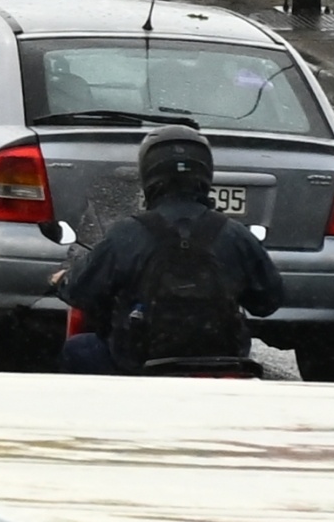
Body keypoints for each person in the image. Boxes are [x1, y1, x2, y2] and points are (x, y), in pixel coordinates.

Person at [56, 128, 280, 372]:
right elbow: (268, 302)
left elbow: (80, 293)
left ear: (148, 174)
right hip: (222, 362)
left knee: (76, 350)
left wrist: (62, 281)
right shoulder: (236, 234)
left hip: (139, 364)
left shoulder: (127, 234)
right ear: (205, 172)